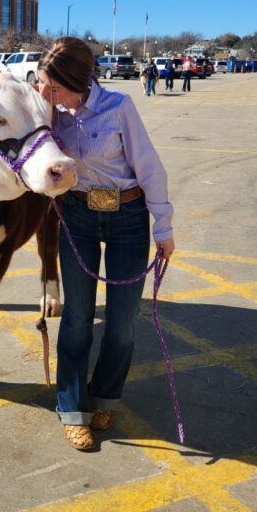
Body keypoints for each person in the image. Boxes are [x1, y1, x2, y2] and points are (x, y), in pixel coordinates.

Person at [36, 38, 176, 452]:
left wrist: (163, 227)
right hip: (78, 216)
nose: (43, 92)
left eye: (52, 87)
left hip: (127, 218)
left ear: (78, 83)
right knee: (77, 318)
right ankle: (72, 409)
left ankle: (105, 397)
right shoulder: (50, 114)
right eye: (40, 83)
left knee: (121, 321)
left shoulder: (119, 107)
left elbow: (149, 167)